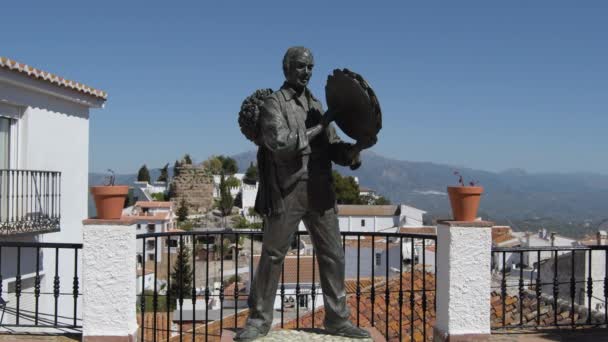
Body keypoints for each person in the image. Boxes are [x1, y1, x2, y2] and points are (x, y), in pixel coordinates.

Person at [235, 47, 371, 341]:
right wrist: (320, 125)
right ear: (286, 68)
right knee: (272, 255)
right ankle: (259, 320)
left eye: (310, 67)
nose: (306, 72)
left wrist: (353, 152)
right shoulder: (275, 104)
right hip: (289, 190)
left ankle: (337, 319)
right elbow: (281, 144)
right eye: (300, 66)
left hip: (321, 191)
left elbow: (332, 145)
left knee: (333, 254)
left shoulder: (317, 105)